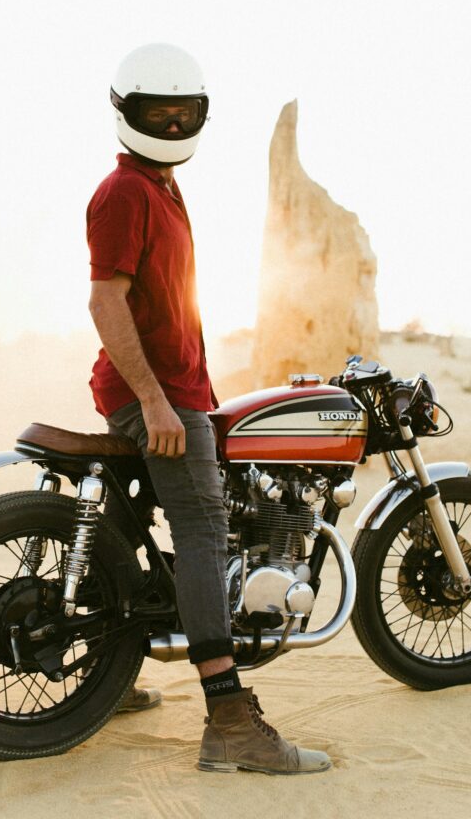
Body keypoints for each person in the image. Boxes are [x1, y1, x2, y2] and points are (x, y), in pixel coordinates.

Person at [86, 43, 331, 775]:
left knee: (149, 529)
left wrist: (204, 401)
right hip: (151, 398)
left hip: (175, 394)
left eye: (180, 112)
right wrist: (160, 403)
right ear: (124, 111)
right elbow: (106, 300)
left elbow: (168, 310)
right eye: (154, 112)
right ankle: (228, 719)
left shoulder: (159, 186)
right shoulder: (126, 191)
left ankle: (112, 668)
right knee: (202, 530)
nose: (168, 123)